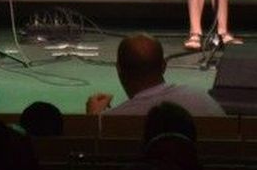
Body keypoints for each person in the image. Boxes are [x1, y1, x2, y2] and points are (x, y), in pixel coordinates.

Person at [85, 33, 223, 117]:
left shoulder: (111, 120)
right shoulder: (204, 100)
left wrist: (93, 119)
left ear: (118, 69)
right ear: (164, 66)